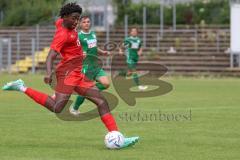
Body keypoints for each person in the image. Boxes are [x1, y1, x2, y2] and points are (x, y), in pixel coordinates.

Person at [2, 2, 138, 148]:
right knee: (57, 108)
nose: (76, 22)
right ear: (66, 17)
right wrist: (48, 73)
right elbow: (50, 56)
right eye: (74, 18)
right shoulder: (63, 35)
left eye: (78, 19)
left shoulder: (62, 22)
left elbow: (59, 20)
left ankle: (118, 138)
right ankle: (22, 87)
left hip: (78, 72)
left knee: (102, 102)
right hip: (67, 74)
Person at [70, 14, 110, 116]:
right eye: (84, 22)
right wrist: (79, 54)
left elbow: (94, 47)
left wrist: (102, 52)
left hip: (95, 65)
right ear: (80, 24)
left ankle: (91, 91)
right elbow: (73, 49)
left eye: (88, 21)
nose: (86, 24)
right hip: (86, 67)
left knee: (106, 83)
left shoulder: (93, 34)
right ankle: (75, 108)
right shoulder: (79, 36)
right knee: (85, 90)